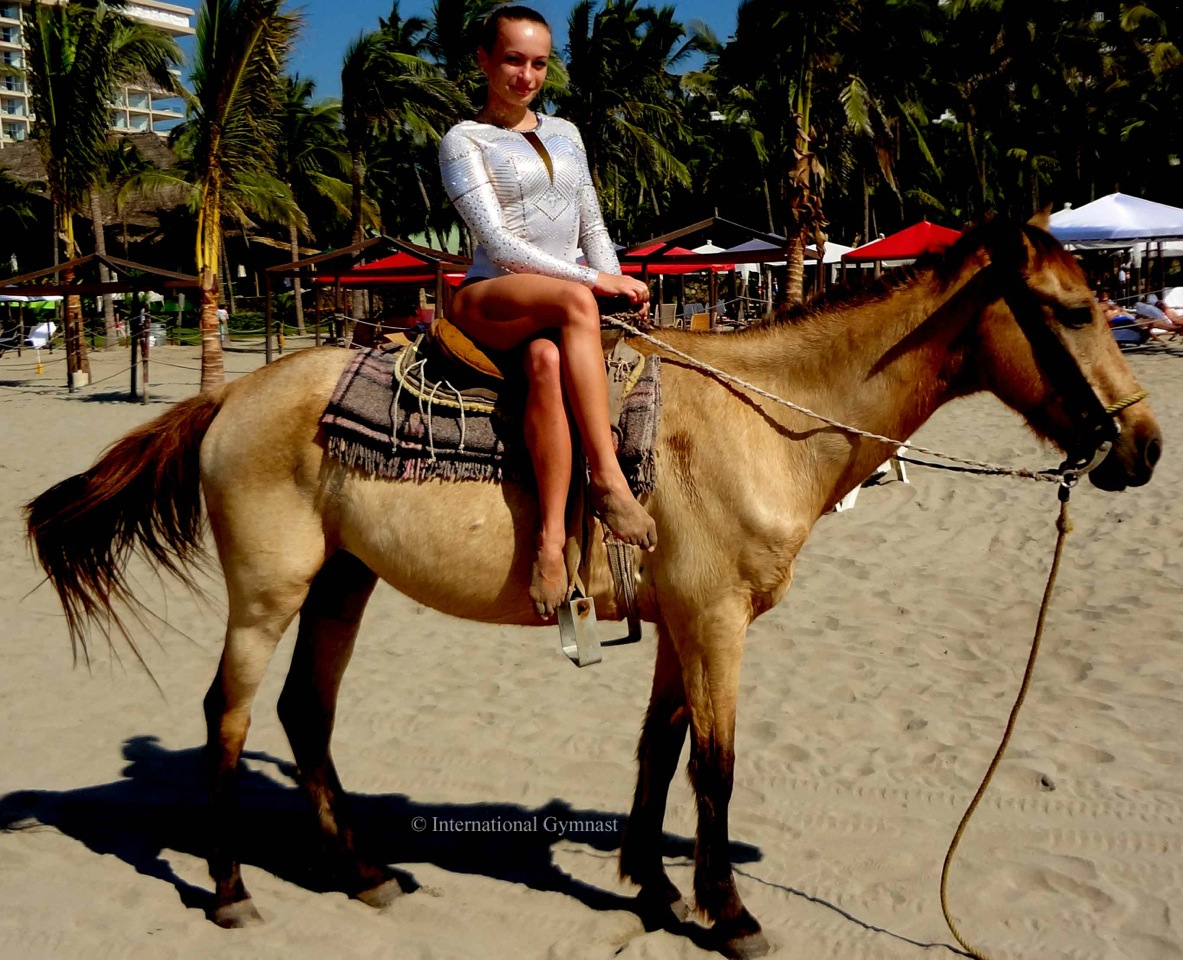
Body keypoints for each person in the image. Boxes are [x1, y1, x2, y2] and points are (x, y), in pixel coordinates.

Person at [438, 4, 656, 619]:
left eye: (538, 63)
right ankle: (610, 481)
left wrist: (614, 276)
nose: (526, 75)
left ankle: (551, 543)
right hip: (492, 295)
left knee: (543, 362)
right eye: (512, 60)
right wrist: (596, 282)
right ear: (483, 60)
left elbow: (592, 223)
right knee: (573, 300)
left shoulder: (567, 132)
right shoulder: (464, 140)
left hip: (560, 307)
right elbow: (501, 246)